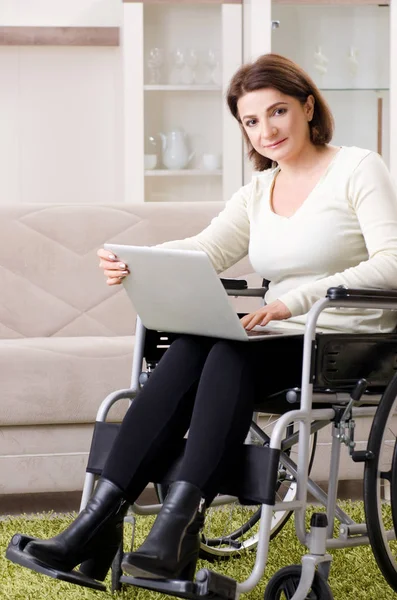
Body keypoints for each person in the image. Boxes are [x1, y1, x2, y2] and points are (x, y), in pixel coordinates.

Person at [9, 53, 397, 586]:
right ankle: (105, 522)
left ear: (308, 107)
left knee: (229, 348)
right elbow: (204, 249)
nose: (267, 130)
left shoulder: (358, 168)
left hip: (343, 337)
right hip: (277, 338)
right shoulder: (260, 191)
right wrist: (134, 259)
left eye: (278, 111)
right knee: (193, 345)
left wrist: (293, 301)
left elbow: (392, 261)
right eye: (252, 121)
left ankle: (162, 528)